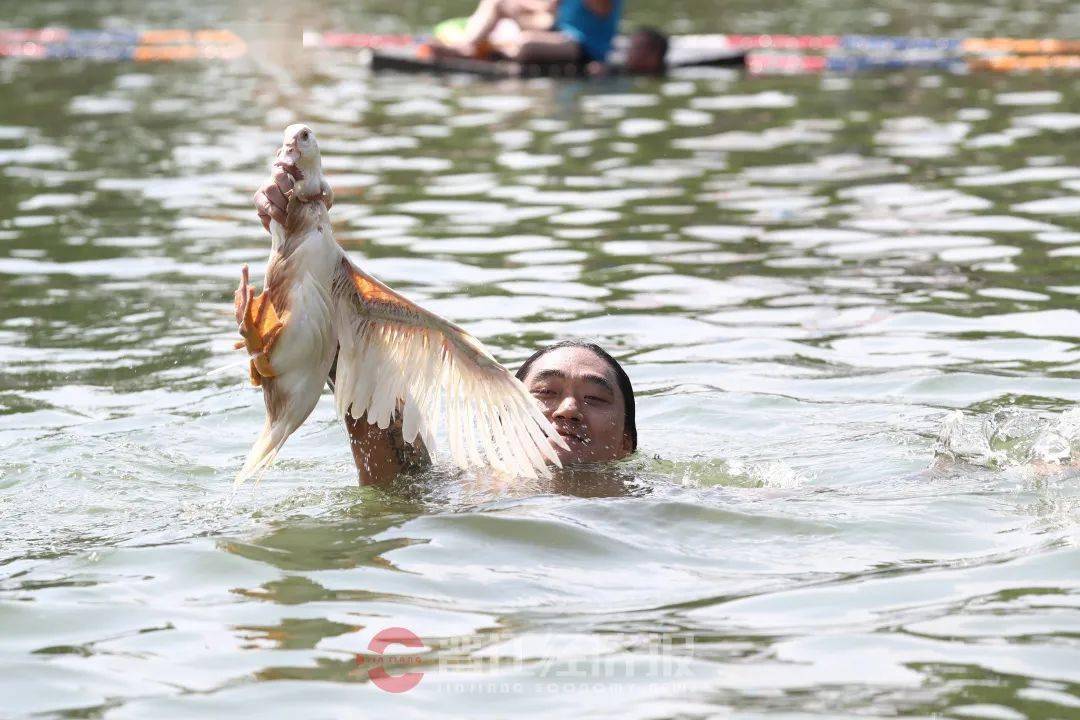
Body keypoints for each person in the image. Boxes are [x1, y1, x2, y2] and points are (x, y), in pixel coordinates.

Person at [253, 169, 637, 486]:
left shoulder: (656, 502)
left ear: (626, 444)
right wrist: (305, 237)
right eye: (546, 392)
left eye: (596, 399)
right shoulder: (463, 490)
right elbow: (392, 448)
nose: (568, 410)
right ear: (504, 422)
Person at [435, 0, 623, 67]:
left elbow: (601, 9)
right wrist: (518, 7)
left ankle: (492, 48)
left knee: (526, 44)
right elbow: (547, 12)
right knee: (497, 2)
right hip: (555, 29)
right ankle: (467, 44)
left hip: (583, 45)